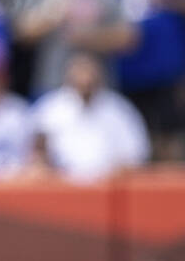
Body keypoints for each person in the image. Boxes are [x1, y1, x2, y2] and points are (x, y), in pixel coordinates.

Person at [30, 51, 150, 181]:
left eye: (89, 71)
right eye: (80, 71)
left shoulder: (120, 109)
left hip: (108, 188)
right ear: (68, 75)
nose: (85, 79)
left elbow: (137, 155)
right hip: (60, 188)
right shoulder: (50, 109)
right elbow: (36, 156)